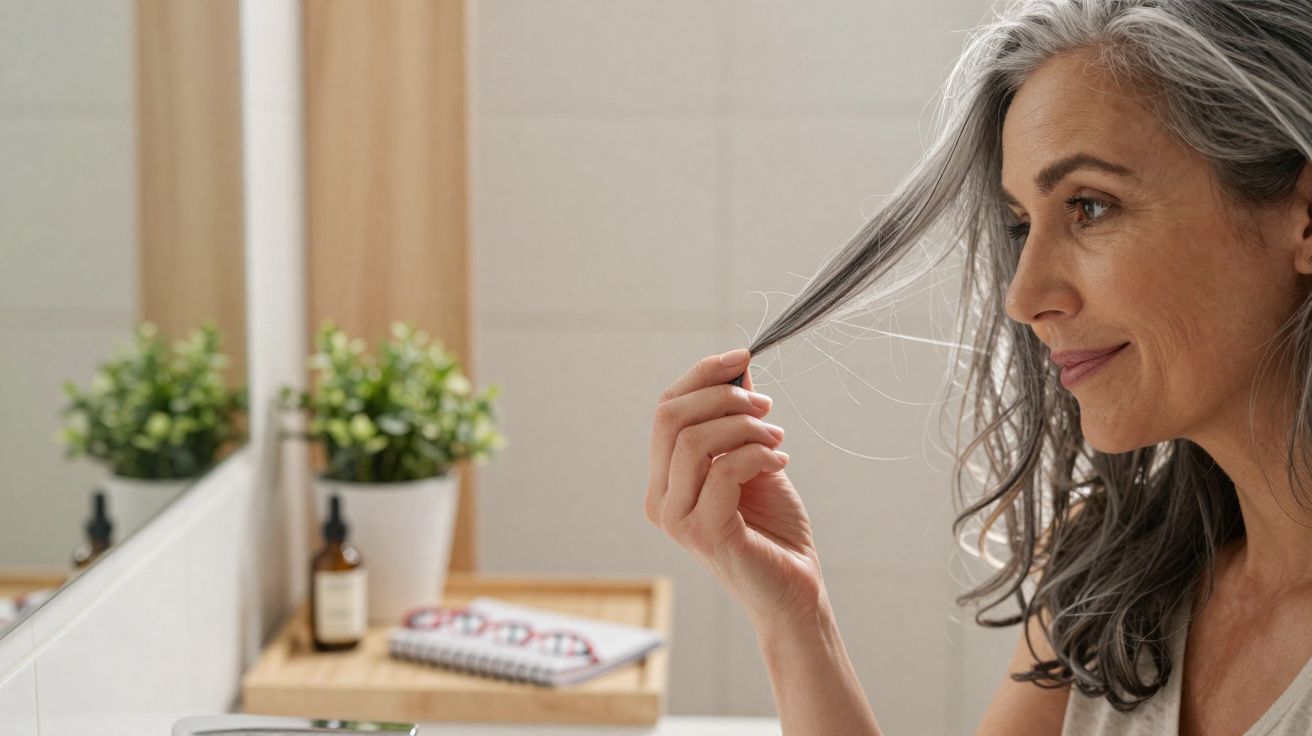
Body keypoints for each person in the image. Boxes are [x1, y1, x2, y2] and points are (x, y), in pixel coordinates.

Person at [644, 1, 1312, 733]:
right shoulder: (1117, 576)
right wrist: (794, 617)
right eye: (1022, 224)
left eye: (1089, 207)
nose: (1023, 298)